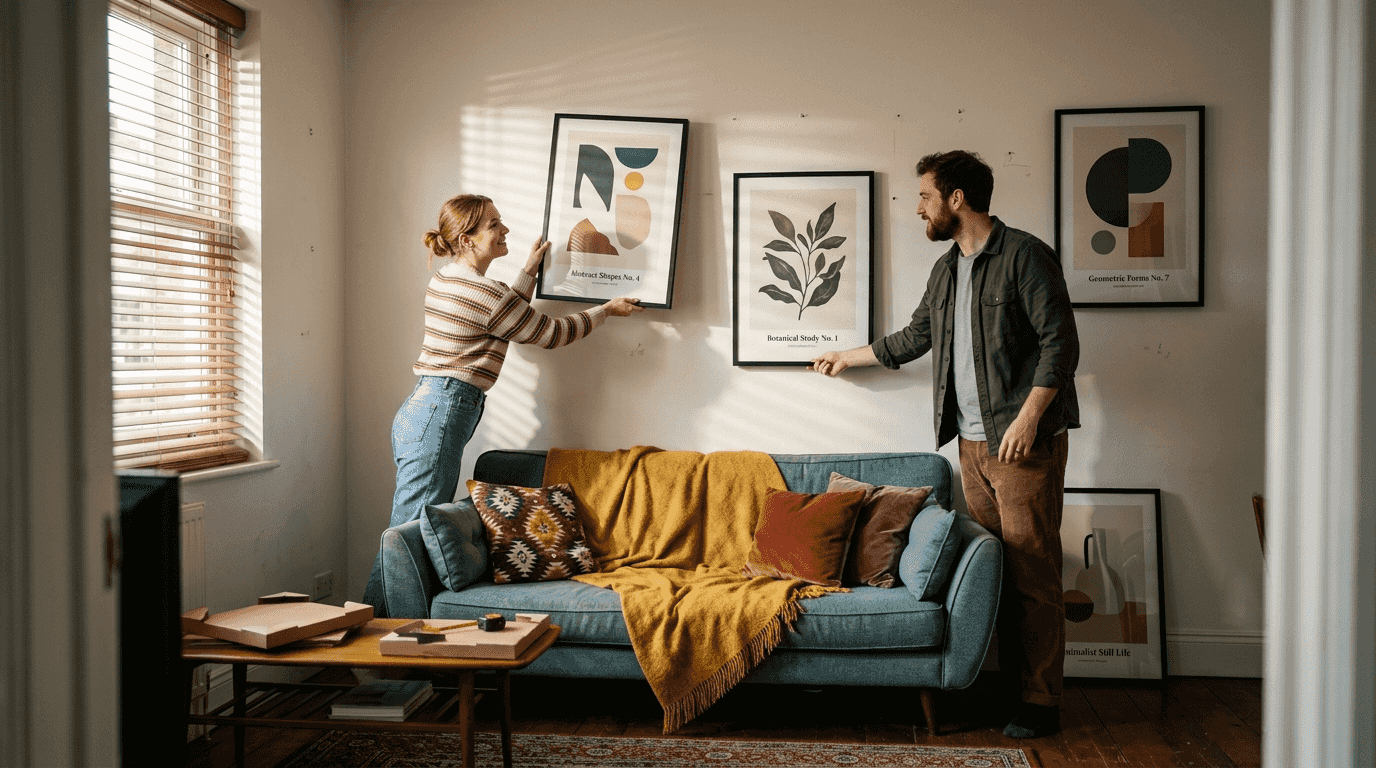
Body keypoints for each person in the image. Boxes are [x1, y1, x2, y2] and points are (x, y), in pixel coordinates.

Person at [810, 151, 1079, 739]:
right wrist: (845, 356)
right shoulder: (945, 270)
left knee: (1033, 572)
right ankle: (1007, 690)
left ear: (957, 199)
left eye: (926, 196)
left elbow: (1060, 344)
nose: (919, 208)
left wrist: (1030, 418)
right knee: (996, 569)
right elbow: (913, 339)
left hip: (1022, 445)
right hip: (972, 448)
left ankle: (1040, 703)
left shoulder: (1026, 256)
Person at [362, 194, 645, 613]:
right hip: (440, 411)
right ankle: (367, 645)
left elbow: (504, 314)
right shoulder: (483, 293)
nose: (505, 229)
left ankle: (366, 639)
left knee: (406, 531)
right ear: (467, 238)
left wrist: (529, 270)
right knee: (406, 535)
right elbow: (548, 332)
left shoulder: (448, 279)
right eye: (494, 224)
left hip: (427, 407)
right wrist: (604, 310)